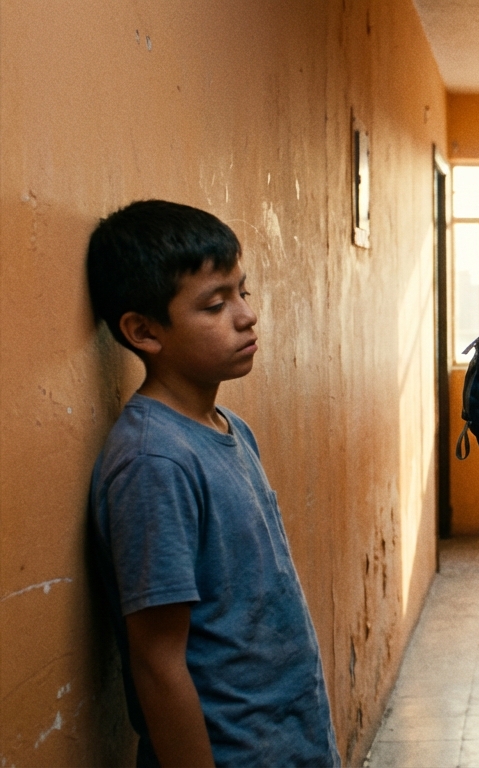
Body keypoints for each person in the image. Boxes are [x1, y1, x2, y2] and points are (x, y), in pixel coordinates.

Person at [86, 200, 339, 767]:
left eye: (241, 292)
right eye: (215, 304)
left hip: (289, 742)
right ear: (143, 331)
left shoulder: (229, 429)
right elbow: (157, 661)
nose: (246, 316)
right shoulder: (155, 462)